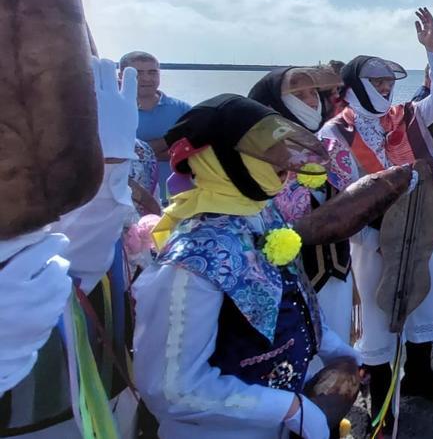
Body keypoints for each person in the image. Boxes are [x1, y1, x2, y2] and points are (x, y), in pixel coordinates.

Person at [133, 94, 363, 439]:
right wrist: (289, 410)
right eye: (265, 153)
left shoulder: (261, 213)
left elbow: (286, 299)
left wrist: (331, 346)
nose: (284, 163)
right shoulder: (190, 259)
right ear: (220, 160)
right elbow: (172, 388)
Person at [318, 8, 433, 422]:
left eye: (387, 82)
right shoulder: (334, 132)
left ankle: (420, 376)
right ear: (356, 86)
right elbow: (341, 195)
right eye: (376, 82)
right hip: (371, 243)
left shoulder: (406, 116)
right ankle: (381, 399)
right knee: (378, 322)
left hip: (419, 230)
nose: (385, 88)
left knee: (426, 303)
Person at [2, 58, 142, 437]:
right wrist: (108, 168)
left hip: (103, 377)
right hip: (35, 410)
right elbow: (69, 267)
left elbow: (83, 261)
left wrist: (109, 166)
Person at [248, 66, 355, 359]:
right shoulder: (259, 157)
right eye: (298, 94)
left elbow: (351, 202)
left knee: (339, 343)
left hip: (338, 269)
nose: (311, 101)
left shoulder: (333, 148)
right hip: (286, 277)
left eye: (313, 94)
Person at [121, 50, 191, 198]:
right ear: (122, 76)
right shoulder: (113, 110)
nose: (146, 78)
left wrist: (142, 152)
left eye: (152, 72)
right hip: (128, 200)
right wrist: (166, 146)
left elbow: (195, 151)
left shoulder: (182, 109)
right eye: (138, 73)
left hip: (178, 199)